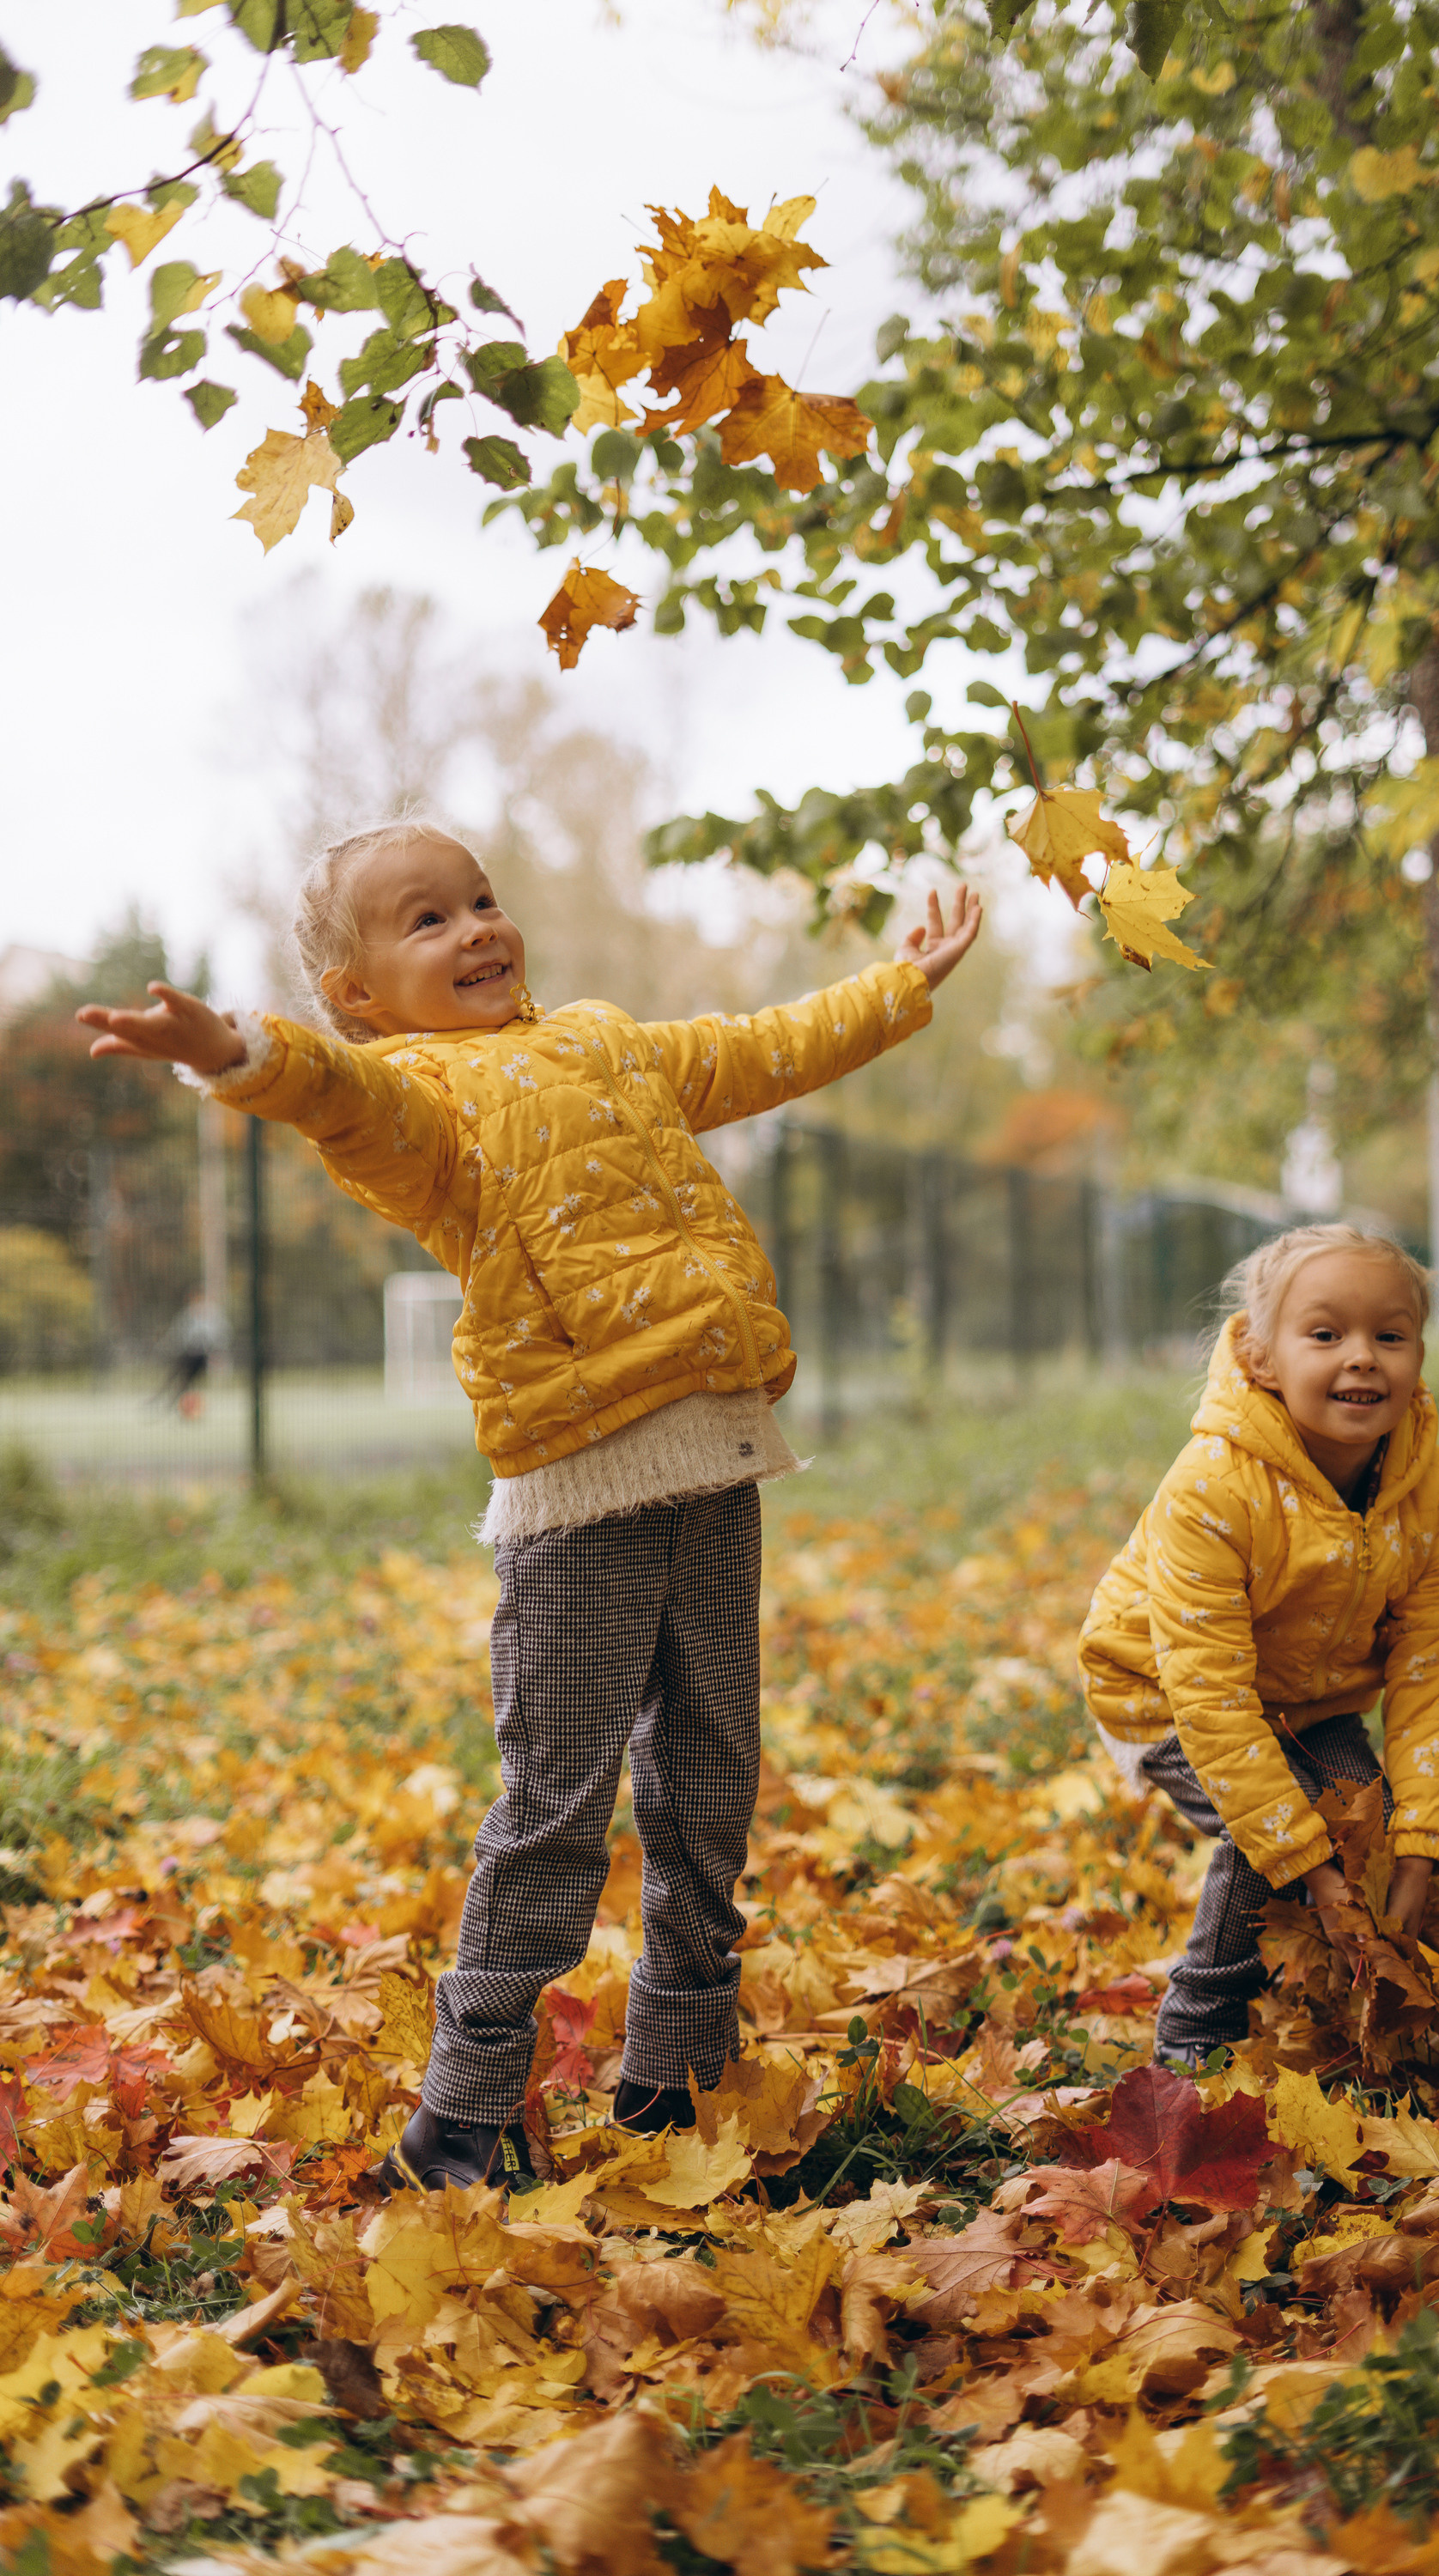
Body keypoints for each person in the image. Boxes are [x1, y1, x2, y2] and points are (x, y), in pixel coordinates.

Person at [78, 817, 981, 2190]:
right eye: (426, 921)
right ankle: (466, 2113)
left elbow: (762, 1047)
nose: (477, 930)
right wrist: (237, 1054)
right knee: (557, 1806)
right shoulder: (422, 1109)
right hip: (578, 1496)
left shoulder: (612, 1043)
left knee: (709, 1786)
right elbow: (338, 1098)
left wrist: (902, 986)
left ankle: (675, 2085)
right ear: (362, 994)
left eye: (482, 900)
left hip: (720, 1461)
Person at [1078, 1223, 1439, 2069]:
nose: (1362, 1357)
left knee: (1363, 1811)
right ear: (1260, 1358)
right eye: (1325, 1334)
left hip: (1304, 1698)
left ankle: (1332, 2005)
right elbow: (1210, 1694)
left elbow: (1431, 1663)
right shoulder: (1212, 1487)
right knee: (1281, 1839)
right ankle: (1197, 2029)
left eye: (1389, 1336)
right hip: (1161, 1693)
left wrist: (1418, 1849)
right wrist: (1312, 1870)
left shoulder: (1426, 1490)